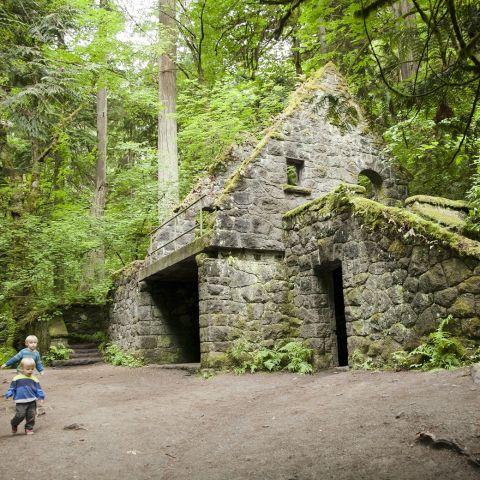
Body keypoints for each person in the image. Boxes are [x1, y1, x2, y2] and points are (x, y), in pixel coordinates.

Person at [4, 357, 45, 435]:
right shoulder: (16, 378)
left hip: (32, 400)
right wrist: (9, 393)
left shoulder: (34, 379)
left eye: (32, 369)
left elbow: (38, 389)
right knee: (20, 415)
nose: (30, 370)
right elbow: (12, 388)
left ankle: (29, 428)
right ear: (22, 368)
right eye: (28, 369)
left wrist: (41, 397)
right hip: (20, 401)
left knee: (31, 415)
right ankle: (14, 423)